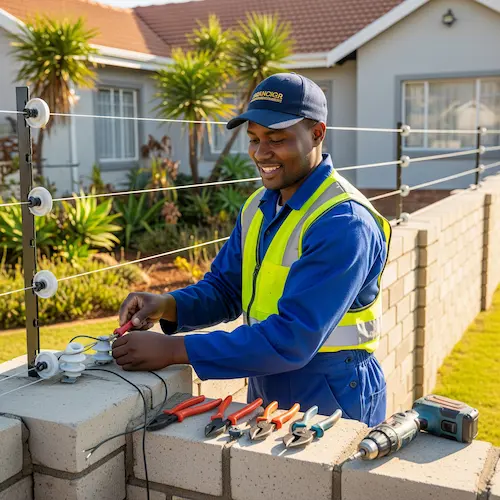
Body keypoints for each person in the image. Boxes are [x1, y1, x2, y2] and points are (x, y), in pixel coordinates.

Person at [112, 72, 392, 426]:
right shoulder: (260, 205)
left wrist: (174, 350)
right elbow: (227, 289)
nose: (261, 153)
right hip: (267, 376)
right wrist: (169, 306)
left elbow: (293, 337)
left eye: (276, 139)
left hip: (333, 390)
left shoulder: (343, 222)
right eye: (254, 139)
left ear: (317, 134)